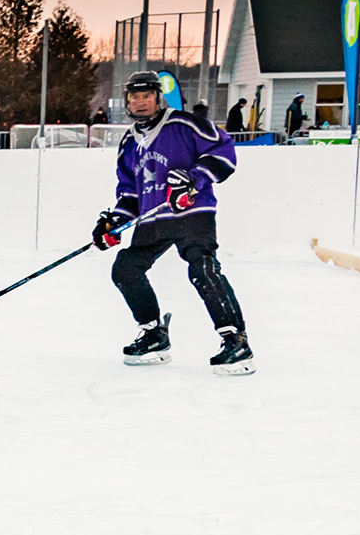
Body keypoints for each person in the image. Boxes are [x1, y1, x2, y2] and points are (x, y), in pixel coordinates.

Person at [92, 71, 252, 375]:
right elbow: (130, 193)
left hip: (192, 212)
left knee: (202, 268)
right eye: (134, 97)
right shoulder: (129, 141)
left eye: (147, 96)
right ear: (127, 102)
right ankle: (153, 335)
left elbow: (225, 150)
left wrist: (194, 180)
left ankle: (236, 341)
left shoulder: (183, 123)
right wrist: (113, 223)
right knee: (126, 268)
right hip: (154, 217)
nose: (140, 102)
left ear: (158, 98)